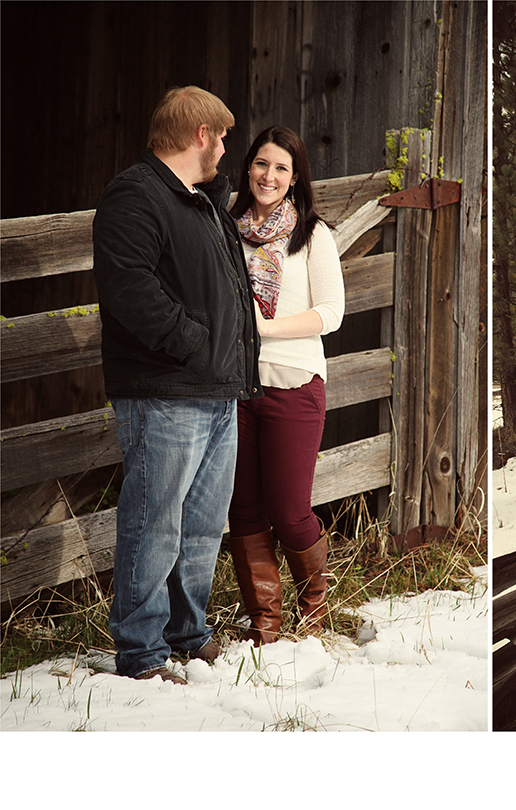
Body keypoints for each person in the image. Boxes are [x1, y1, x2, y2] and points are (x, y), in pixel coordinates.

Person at [93, 86, 262, 684]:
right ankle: (140, 652)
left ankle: (187, 634)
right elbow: (129, 289)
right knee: (153, 521)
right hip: (165, 390)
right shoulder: (134, 195)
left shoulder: (198, 201)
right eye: (221, 136)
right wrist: (194, 341)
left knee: (199, 525)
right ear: (200, 135)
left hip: (215, 391)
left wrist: (221, 358)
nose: (226, 149)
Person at [226, 126, 346, 645]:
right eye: (260, 164)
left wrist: (265, 329)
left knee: (290, 510)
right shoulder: (226, 229)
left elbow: (331, 313)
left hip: (294, 386)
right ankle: (265, 625)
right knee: (244, 509)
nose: (268, 176)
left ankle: (314, 608)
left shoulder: (313, 235)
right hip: (235, 388)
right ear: (247, 167)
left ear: (295, 178)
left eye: (280, 168)